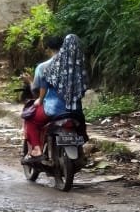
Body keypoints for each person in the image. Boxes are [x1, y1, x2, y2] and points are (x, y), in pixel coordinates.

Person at [22, 32, 89, 161]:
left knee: (30, 117)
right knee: (81, 127)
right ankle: (81, 150)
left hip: (54, 109)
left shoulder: (48, 66)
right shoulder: (81, 67)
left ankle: (36, 150)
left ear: (49, 48)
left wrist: (39, 97)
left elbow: (41, 87)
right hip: (76, 111)